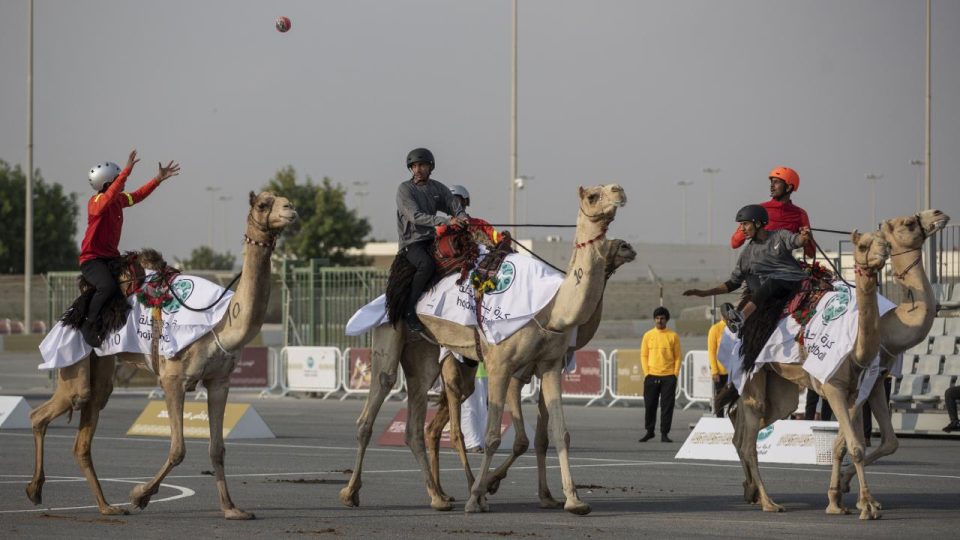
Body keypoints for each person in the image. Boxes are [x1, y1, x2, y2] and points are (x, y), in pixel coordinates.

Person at [79, 150, 181, 347]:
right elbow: (105, 202)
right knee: (107, 286)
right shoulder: (96, 202)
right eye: (118, 180)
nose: (123, 182)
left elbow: (138, 195)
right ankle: (88, 324)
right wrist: (126, 171)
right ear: (107, 184)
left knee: (140, 273)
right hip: (92, 260)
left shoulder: (119, 200)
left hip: (111, 258)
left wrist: (157, 179)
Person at [682, 205, 812, 335]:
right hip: (772, 290)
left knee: (772, 282)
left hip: (794, 281)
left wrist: (804, 236)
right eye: (741, 225)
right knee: (760, 284)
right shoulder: (746, 254)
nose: (742, 229)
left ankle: (740, 318)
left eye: (745, 224)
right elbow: (733, 283)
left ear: (758, 223)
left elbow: (797, 241)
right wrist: (705, 293)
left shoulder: (780, 235)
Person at [395, 148, 468, 333]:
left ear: (430, 167)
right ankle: (409, 310)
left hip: (432, 239)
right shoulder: (405, 189)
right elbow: (415, 216)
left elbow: (453, 205)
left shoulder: (438, 188)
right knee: (426, 265)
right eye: (414, 166)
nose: (418, 169)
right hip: (412, 243)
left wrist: (462, 217)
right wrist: (445, 221)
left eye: (422, 165)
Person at [729, 166, 816, 259]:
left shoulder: (800, 214)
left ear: (788, 187)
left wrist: (807, 238)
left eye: (776, 182)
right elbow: (735, 243)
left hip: (784, 268)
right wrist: (749, 227)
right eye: (771, 182)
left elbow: (811, 254)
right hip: (758, 265)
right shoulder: (759, 209)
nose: (771, 185)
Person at [640, 307, 682, 443]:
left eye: (662, 318)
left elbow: (678, 357)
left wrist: (675, 374)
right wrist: (647, 372)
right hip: (651, 375)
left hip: (668, 376)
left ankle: (664, 433)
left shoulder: (673, 336)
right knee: (650, 405)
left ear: (667, 320)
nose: (659, 321)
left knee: (667, 407)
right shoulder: (648, 335)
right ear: (654, 319)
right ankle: (649, 431)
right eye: (657, 318)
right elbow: (644, 355)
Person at [707, 319, 730, 418]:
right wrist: (714, 371)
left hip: (734, 371)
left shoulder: (737, 327)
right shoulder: (715, 329)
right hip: (720, 372)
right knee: (720, 398)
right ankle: (720, 420)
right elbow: (711, 352)